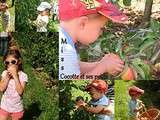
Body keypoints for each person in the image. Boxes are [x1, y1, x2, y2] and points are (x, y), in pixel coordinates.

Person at [59, 0, 128, 80]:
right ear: (83, 23)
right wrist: (102, 67)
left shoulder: (63, 40)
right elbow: (74, 86)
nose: (101, 33)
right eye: (101, 28)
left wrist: (99, 64)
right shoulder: (66, 49)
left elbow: (71, 66)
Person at [0, 48, 28, 120]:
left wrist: (15, 76)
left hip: (17, 109)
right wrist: (7, 78)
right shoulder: (4, 73)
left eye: (13, 62)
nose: (10, 64)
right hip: (4, 106)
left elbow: (20, 92)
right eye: (7, 62)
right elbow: (1, 88)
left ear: (19, 61)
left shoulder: (23, 76)